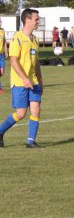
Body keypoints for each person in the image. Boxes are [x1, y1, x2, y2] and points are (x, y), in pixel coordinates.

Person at [0, 8, 44, 148]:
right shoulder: (17, 38)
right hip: (20, 82)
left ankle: (30, 141)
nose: (38, 21)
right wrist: (24, 78)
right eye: (36, 19)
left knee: (36, 109)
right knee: (21, 113)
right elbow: (13, 61)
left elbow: (36, 63)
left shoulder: (35, 40)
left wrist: (40, 80)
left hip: (34, 81)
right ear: (27, 20)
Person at [0, 19, 6, 94]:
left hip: (1, 54)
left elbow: (4, 41)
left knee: (2, 72)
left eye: (0, 22)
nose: (0, 23)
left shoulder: (2, 31)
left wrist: (6, 51)